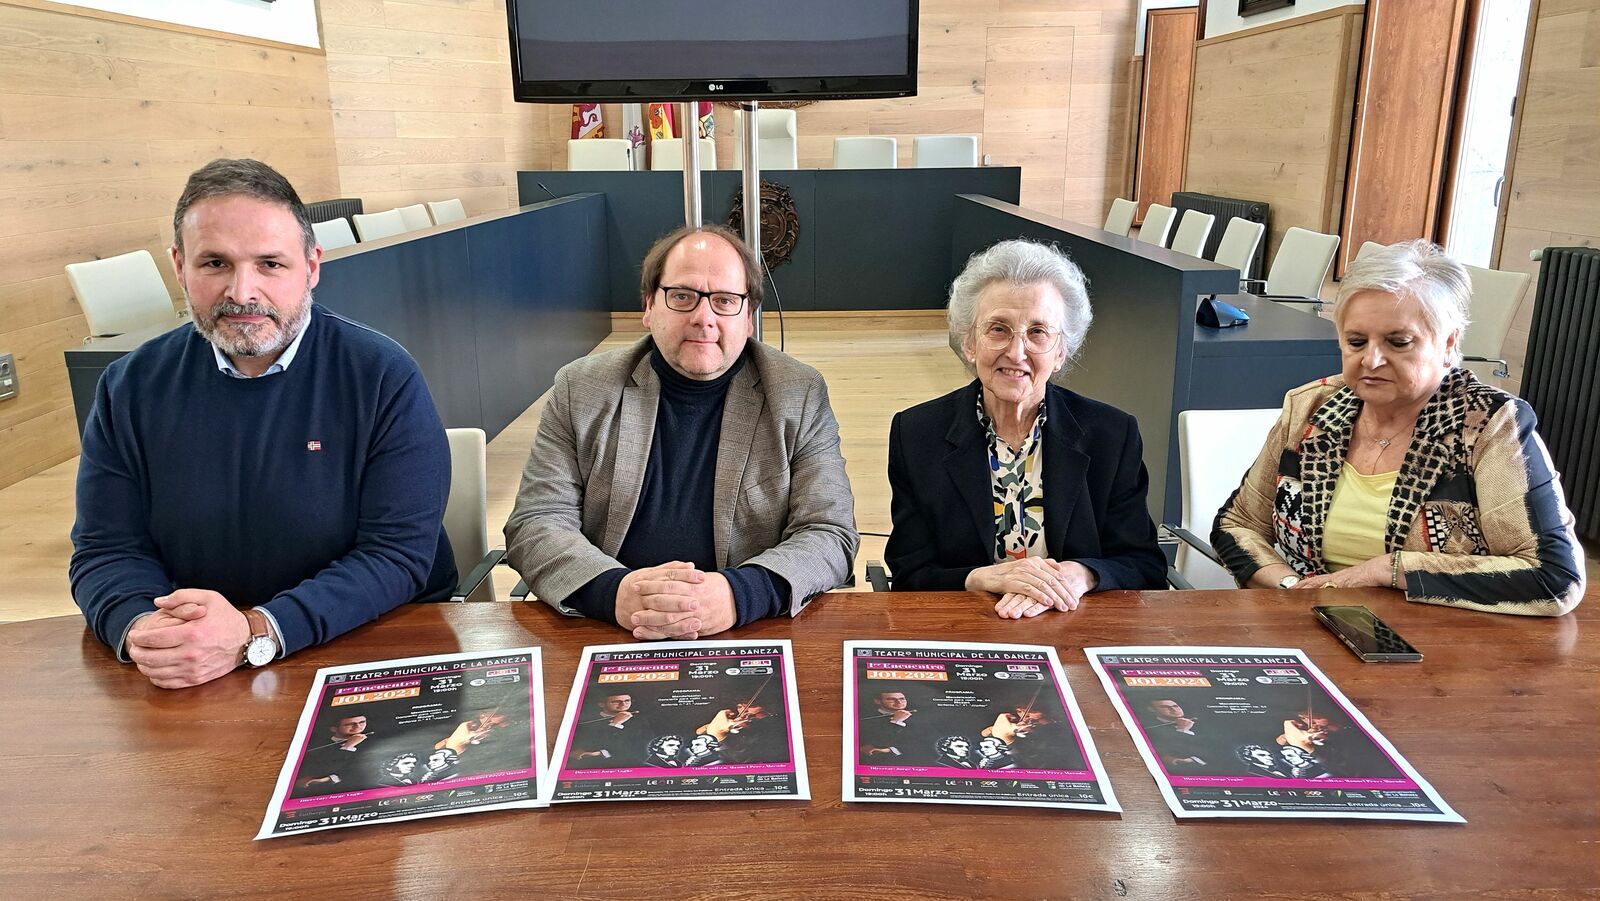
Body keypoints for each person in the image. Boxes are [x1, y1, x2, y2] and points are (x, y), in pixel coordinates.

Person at [68, 158, 456, 689]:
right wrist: (142, 628)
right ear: (180, 266)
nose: (242, 291)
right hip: (196, 667)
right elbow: (107, 548)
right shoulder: (128, 387)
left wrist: (256, 631)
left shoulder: (381, 375)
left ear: (313, 266)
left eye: (270, 264)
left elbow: (397, 554)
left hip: (365, 644)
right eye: (214, 264)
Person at [503, 224, 857, 640]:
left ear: (748, 316)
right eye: (683, 296)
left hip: (748, 629)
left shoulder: (797, 392)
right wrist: (613, 592)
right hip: (609, 627)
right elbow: (537, 520)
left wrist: (737, 595)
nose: (703, 318)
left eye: (724, 300)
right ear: (650, 305)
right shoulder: (581, 388)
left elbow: (829, 531)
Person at [1212, 240, 1585, 615]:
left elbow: (1553, 578)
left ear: (1448, 342)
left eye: (1399, 342)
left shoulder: (1487, 424)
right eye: (1356, 342)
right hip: (1309, 625)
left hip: (1441, 643)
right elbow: (1237, 524)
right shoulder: (1311, 408)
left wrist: (1389, 570)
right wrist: (1293, 587)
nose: (1371, 359)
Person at [884, 239, 1166, 620]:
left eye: (1038, 333)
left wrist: (1081, 575)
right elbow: (908, 572)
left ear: (1062, 351)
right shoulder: (917, 434)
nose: (1016, 353)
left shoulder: (1111, 434)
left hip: (1076, 629)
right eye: (998, 329)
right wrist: (982, 578)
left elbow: (1145, 565)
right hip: (966, 628)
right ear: (969, 342)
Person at [569, 693, 655, 767]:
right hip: (590, 765)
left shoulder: (641, 721)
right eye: (616, 701)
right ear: (601, 704)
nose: (623, 705)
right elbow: (589, 744)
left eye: (627, 701)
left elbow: (640, 748)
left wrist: (601, 753)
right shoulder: (585, 721)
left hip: (627, 764)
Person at [295, 714, 371, 794]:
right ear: (334, 728)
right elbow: (320, 770)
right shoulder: (316, 745)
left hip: (357, 788)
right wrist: (347, 746)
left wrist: (328, 779)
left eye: (362, 722)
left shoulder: (371, 743)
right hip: (318, 791)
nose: (358, 727)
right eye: (350, 724)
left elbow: (364, 772)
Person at [858, 690, 935, 765]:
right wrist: (896, 722)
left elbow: (927, 743)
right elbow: (879, 742)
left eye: (902, 698)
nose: (899, 702)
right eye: (891, 699)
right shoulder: (863, 719)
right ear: (877, 701)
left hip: (916, 762)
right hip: (878, 763)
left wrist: (890, 750)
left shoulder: (920, 718)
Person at [1142, 698, 1217, 772]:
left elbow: (1215, 749)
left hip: (1211, 766)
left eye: (1175, 706)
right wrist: (1182, 730)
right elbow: (1175, 752)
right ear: (1152, 709)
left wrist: (1194, 760)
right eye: (1165, 707)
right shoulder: (1149, 728)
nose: (1174, 710)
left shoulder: (1201, 724)